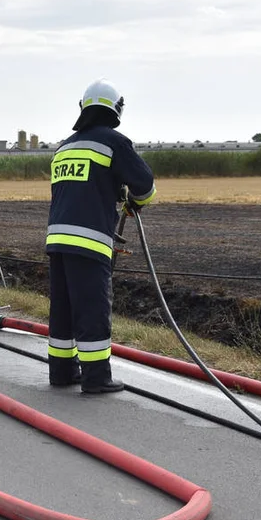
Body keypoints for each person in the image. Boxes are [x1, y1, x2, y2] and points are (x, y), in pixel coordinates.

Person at [46, 79, 156, 394]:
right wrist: (134, 200)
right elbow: (145, 185)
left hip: (57, 240)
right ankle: (96, 377)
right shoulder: (113, 142)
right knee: (92, 307)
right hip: (90, 241)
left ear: (83, 108)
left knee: (63, 308)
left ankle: (62, 372)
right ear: (116, 109)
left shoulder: (65, 147)